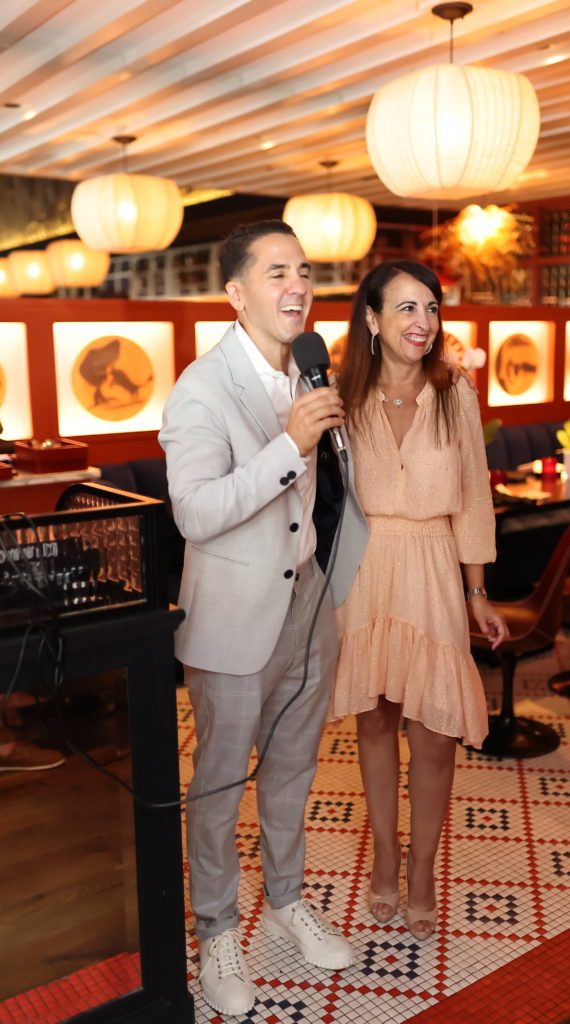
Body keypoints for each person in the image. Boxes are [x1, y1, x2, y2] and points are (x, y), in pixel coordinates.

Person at [159, 220, 368, 1017]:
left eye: (306, 272)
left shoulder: (309, 375)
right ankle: (217, 931)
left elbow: (328, 499)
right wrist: (286, 444)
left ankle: (287, 900)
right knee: (217, 786)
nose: (298, 286)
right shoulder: (201, 388)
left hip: (309, 610)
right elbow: (196, 512)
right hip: (234, 620)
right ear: (236, 293)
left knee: (291, 773)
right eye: (277, 272)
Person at [329, 260, 508, 941]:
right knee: (373, 722)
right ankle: (382, 854)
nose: (422, 322)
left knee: (433, 735)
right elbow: (320, 501)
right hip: (366, 568)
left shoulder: (453, 389)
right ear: (371, 319)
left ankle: (423, 869)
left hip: (433, 567)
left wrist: (476, 591)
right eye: (405, 308)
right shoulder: (340, 394)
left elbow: (472, 495)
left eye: (429, 308)